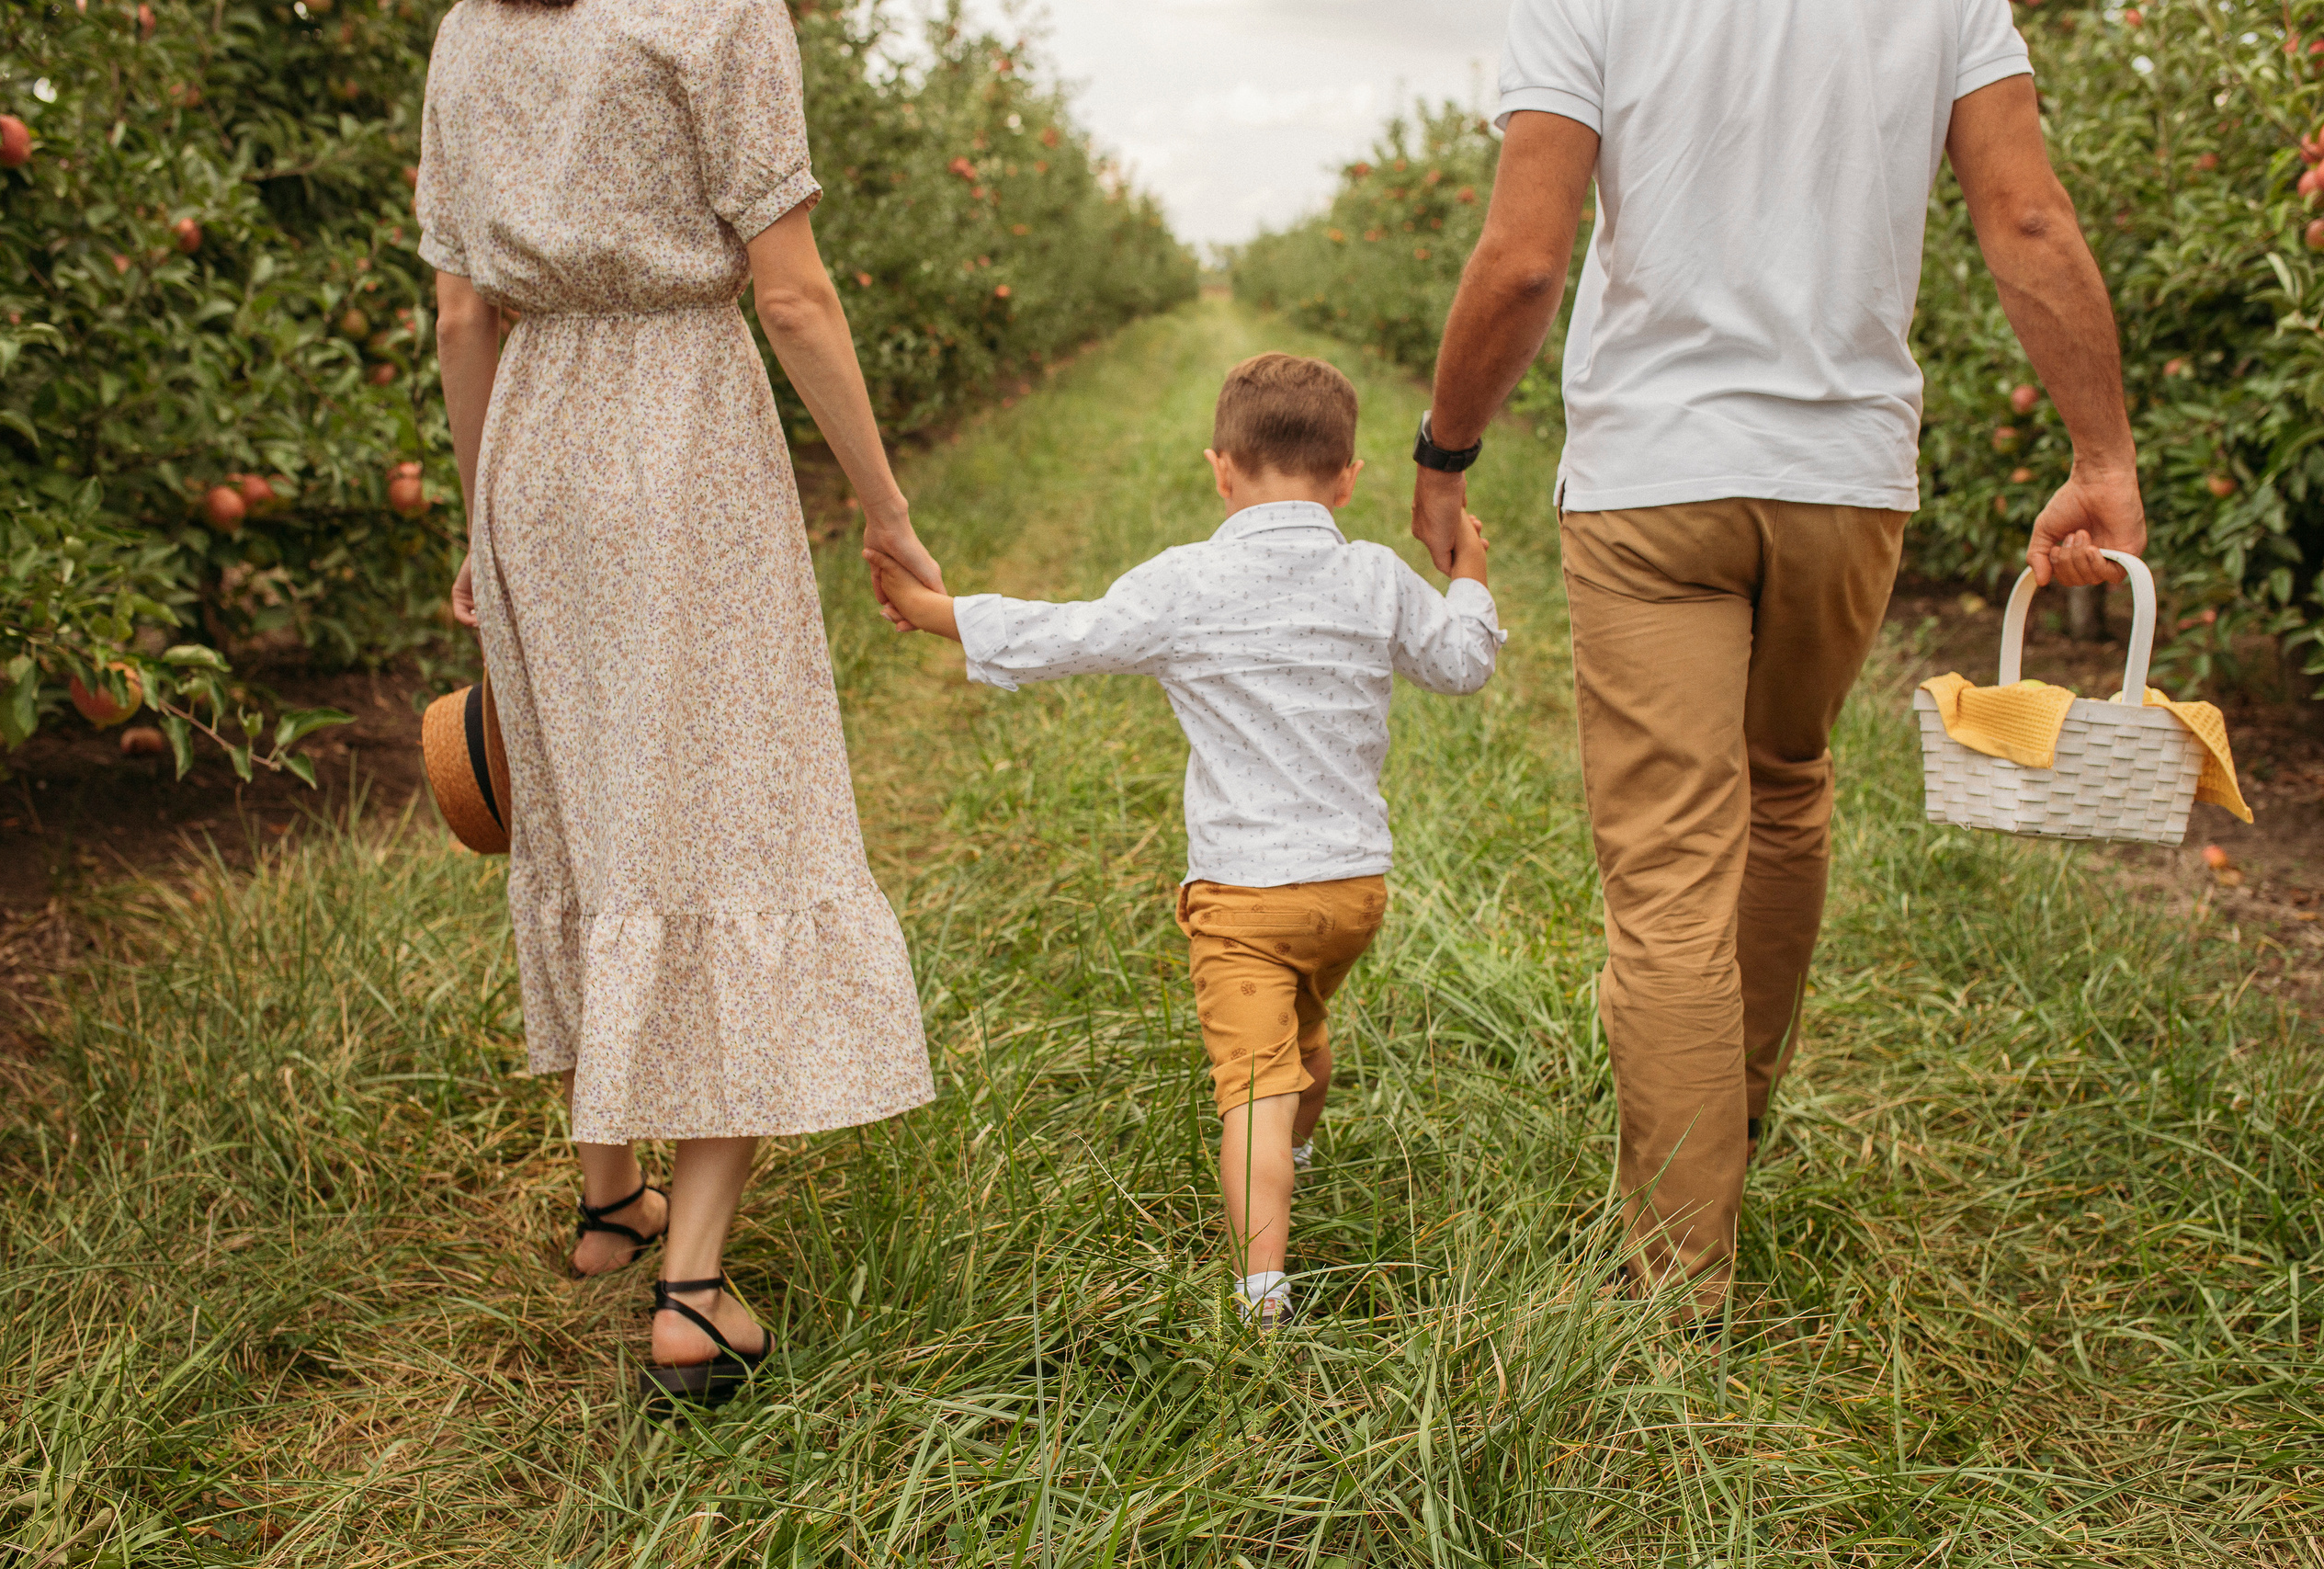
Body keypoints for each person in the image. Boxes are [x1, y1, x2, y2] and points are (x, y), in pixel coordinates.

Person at [1410, 0, 2144, 1322]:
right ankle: (1728, 1126)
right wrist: (2102, 458)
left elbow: (1526, 257)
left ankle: (1679, 1278)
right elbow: (2028, 219)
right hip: (1844, 476)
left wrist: (1446, 450)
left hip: (1655, 473)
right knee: (1788, 779)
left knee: (1671, 867)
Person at [416, 0, 939, 1405]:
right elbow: (792, 293)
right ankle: (694, 1293)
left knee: (587, 806)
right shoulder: (714, 11)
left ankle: (611, 1200)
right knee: (722, 821)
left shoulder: (470, 27)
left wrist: (484, 519)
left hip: (532, 442)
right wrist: (885, 510)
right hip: (684, 437)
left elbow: (466, 308)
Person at [865, 354, 1504, 1324]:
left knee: (1250, 1085)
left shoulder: (1186, 583)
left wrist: (938, 616)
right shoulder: (1375, 577)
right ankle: (1293, 1152)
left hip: (1244, 898)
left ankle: (1260, 1290)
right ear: (1347, 480)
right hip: (1350, 897)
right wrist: (1469, 582)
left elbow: (1067, 635)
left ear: (1220, 470)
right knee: (1304, 1031)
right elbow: (1460, 668)